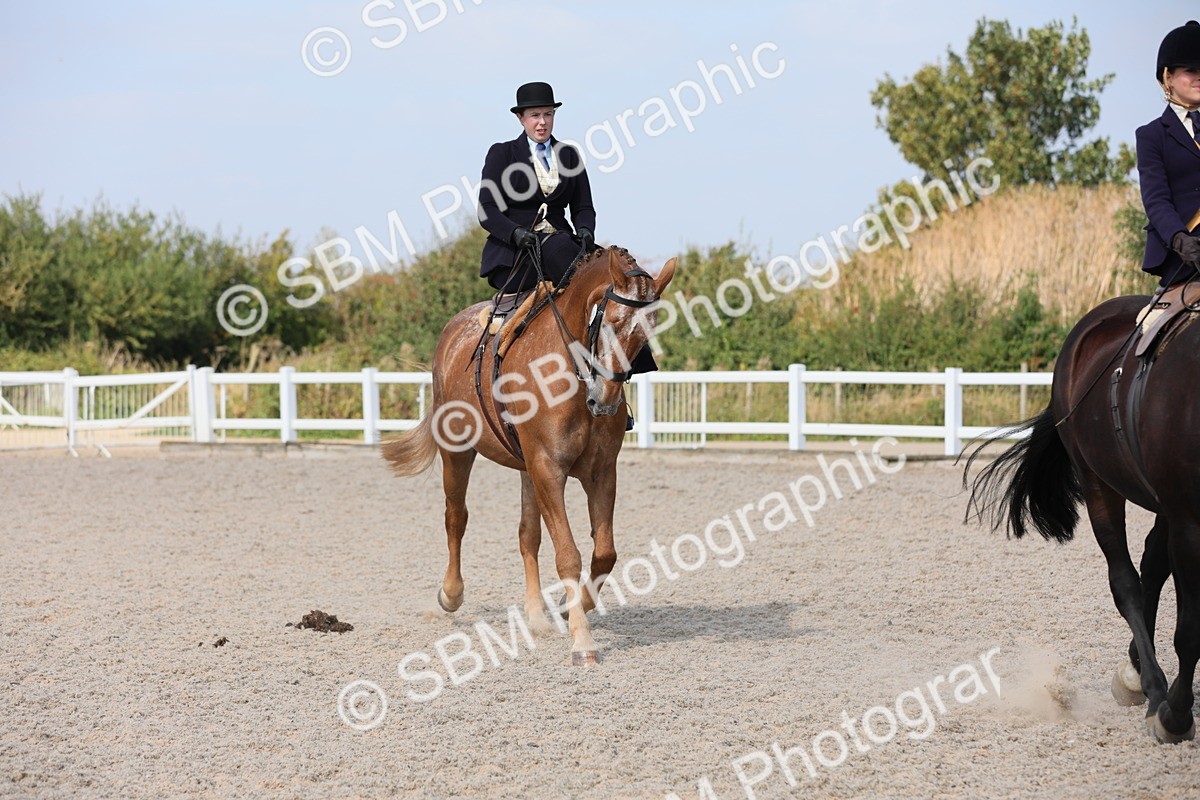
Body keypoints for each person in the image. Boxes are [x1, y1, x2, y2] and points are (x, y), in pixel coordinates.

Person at [476, 82, 656, 429]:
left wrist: (586, 229)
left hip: (561, 247)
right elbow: (486, 209)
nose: (541, 122)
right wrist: (515, 233)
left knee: (611, 273)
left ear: (553, 116)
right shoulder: (501, 154)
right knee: (575, 259)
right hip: (516, 253)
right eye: (534, 116)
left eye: (547, 114)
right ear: (521, 119)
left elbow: (584, 206)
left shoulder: (569, 156)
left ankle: (623, 372)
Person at [1136, 20, 1200, 287]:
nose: (1199, 77)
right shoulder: (1152, 135)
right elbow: (1156, 199)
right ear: (1168, 77)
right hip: (1185, 255)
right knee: (1150, 326)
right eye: (1191, 70)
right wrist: (1179, 238)